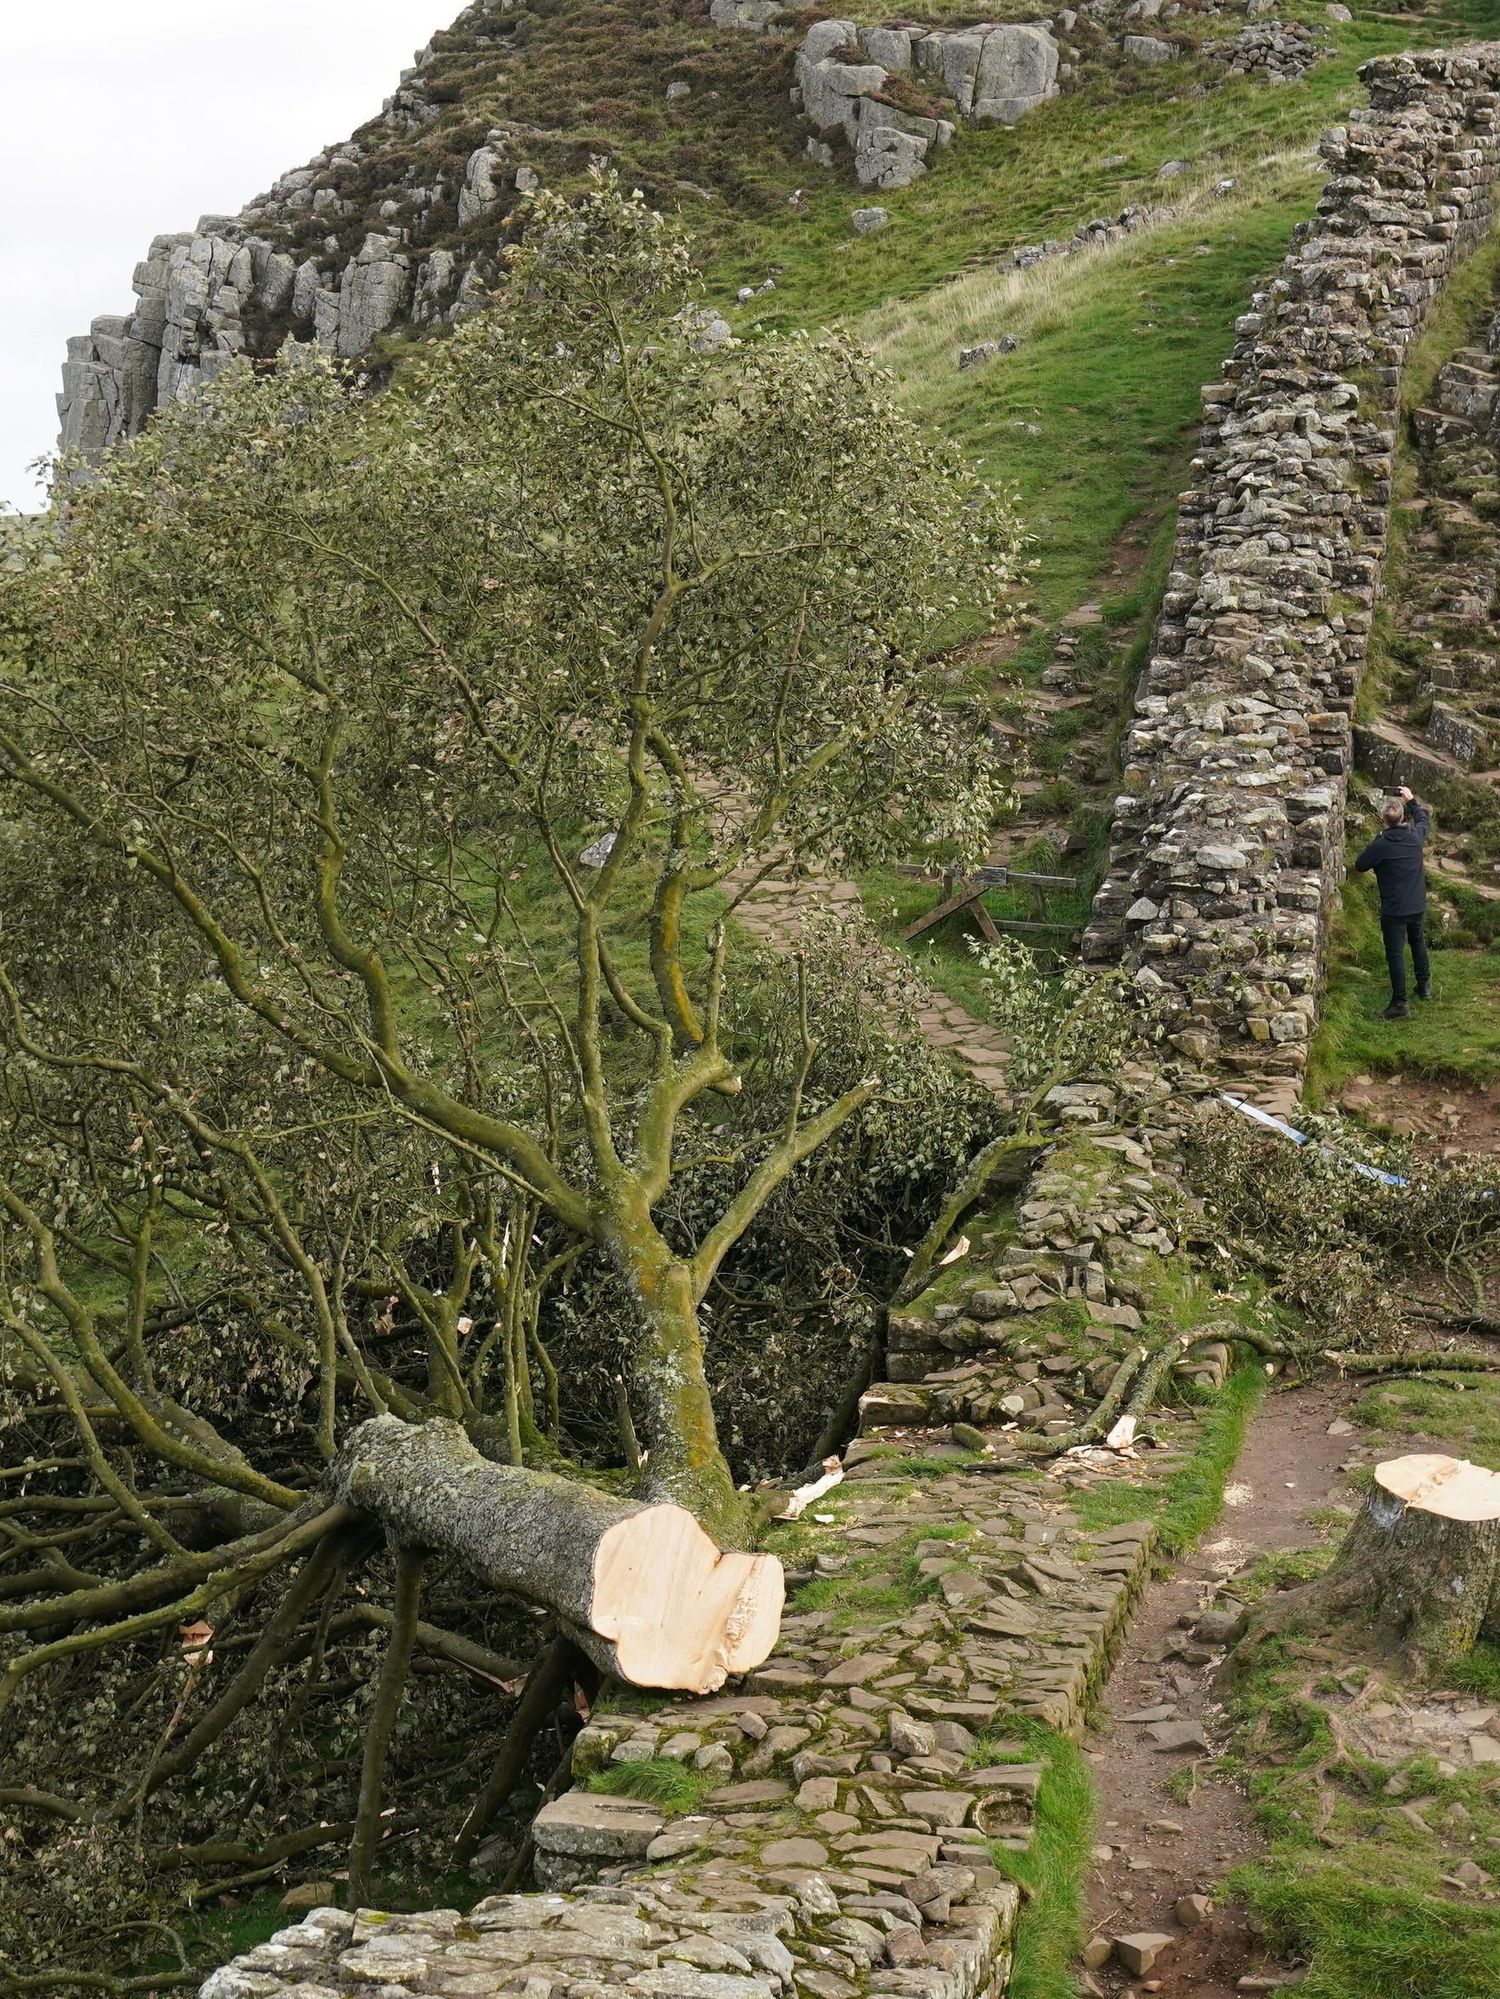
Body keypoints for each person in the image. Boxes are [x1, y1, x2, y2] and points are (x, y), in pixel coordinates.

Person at [1353, 785, 1431, 1019]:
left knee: (1395, 953)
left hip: (1394, 909)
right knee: (1418, 942)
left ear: (1382, 820)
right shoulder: (1415, 837)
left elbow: (1360, 865)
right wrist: (1411, 800)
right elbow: (1423, 821)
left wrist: (1379, 838)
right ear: (1403, 817)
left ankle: (1400, 1003)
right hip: (1417, 904)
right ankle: (1424, 986)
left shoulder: (1381, 844)